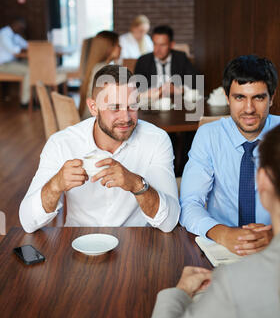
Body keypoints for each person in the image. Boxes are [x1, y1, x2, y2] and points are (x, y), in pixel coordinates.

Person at [151, 121, 280, 318]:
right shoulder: (210, 136)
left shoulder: (233, 283)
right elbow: (190, 204)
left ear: (262, 179)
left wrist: (180, 292)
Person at [19, 65, 180, 233]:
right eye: (115, 107)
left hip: (136, 243)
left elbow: (169, 222)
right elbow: (28, 222)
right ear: (93, 107)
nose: (125, 117)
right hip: (78, 241)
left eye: (132, 106)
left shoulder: (156, 140)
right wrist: (55, 185)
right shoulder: (62, 143)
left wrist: (136, 184)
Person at [180, 55, 280, 255]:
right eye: (240, 97)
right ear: (227, 97)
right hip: (221, 245)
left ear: (272, 97)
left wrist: (278, 233)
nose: (249, 109)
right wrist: (222, 233)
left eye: (259, 97)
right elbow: (189, 203)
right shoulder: (208, 136)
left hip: (279, 247)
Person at [134, 25, 197, 97]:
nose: (157, 49)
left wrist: (179, 90)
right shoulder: (143, 61)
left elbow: (195, 83)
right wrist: (155, 92)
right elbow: (136, 88)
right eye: (155, 44)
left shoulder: (181, 58)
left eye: (162, 45)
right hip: (150, 103)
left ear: (171, 45)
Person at [79, 30, 121, 118]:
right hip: (96, 120)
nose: (121, 47)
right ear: (109, 47)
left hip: (88, 117)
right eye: (117, 45)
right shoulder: (103, 69)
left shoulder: (96, 66)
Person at [0, 18, 29, 105]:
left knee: (34, 66)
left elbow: (26, 45)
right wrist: (21, 48)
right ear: (15, 24)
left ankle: (35, 98)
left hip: (12, 63)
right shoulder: (3, 34)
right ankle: (25, 101)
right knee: (30, 70)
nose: (21, 30)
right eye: (20, 28)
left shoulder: (15, 34)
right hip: (3, 65)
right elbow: (13, 50)